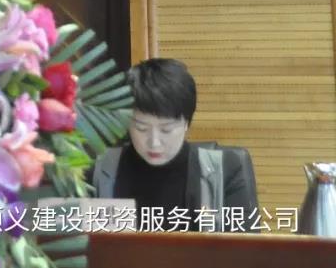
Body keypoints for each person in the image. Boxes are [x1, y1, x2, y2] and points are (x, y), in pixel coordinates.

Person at [92, 58, 259, 231]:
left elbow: (245, 246)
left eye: (166, 129)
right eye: (141, 128)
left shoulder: (225, 171)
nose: (154, 142)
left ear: (186, 123)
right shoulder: (102, 169)